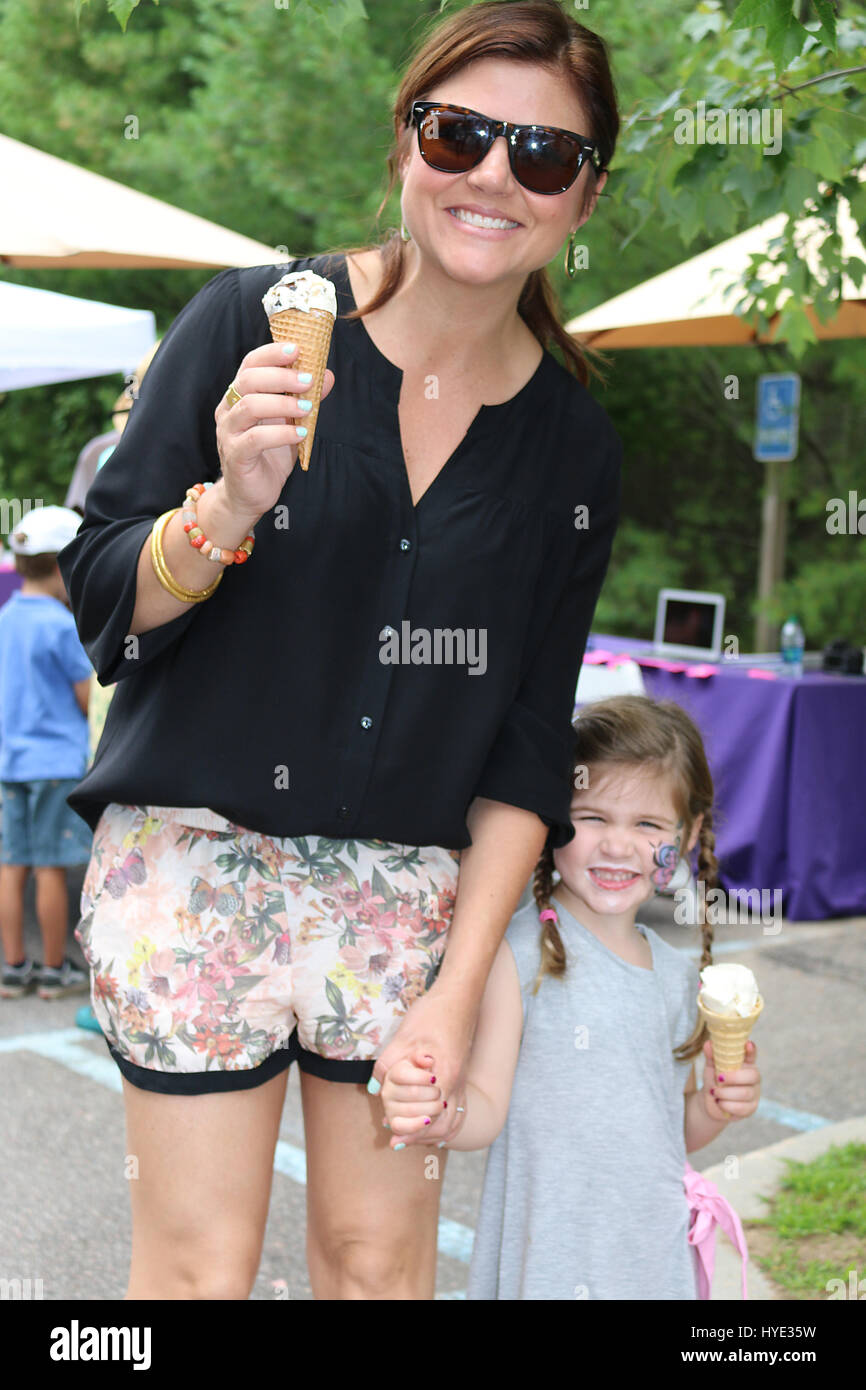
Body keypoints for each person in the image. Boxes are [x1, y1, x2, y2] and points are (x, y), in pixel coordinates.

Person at [57, 0, 622, 1300]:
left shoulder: (573, 444)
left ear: (582, 197)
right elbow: (103, 590)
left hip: (401, 902)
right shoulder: (250, 320)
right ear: (404, 140)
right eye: (458, 132)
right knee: (195, 1273)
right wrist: (226, 509)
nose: (491, 174)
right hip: (197, 866)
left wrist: (458, 988)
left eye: (541, 155)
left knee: (376, 1267)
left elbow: (529, 746)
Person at [382, 695, 762, 1299]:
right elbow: (484, 1110)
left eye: (648, 825)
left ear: (686, 835)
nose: (617, 847)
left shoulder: (677, 977)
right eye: (592, 818)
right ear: (552, 820)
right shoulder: (519, 954)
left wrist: (715, 1106)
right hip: (552, 1263)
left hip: (651, 1261)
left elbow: (672, 1131)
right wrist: (438, 1112)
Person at [0, 506, 93, 999]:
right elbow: (86, 699)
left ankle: (14, 967)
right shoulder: (62, 625)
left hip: (10, 762)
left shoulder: (5, 618)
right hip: (56, 764)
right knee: (51, 867)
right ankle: (55, 968)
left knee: (12, 865)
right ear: (64, 566)